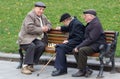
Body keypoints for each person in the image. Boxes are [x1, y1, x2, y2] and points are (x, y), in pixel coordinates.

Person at [17, 2, 52, 74]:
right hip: (25, 39)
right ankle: (24, 67)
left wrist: (47, 28)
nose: (41, 11)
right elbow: (29, 28)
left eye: (43, 9)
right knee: (31, 46)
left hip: (34, 39)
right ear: (34, 8)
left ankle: (30, 64)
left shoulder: (43, 16)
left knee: (41, 45)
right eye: (40, 9)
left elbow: (49, 24)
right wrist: (42, 29)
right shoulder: (30, 16)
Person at [72, 9, 106, 77]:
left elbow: (91, 39)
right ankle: (86, 69)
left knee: (81, 50)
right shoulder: (92, 23)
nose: (84, 17)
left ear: (91, 16)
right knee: (75, 50)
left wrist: (79, 46)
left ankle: (82, 70)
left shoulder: (96, 24)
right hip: (92, 44)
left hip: (97, 45)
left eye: (85, 16)